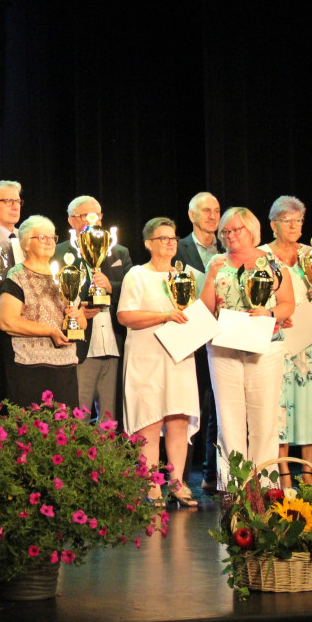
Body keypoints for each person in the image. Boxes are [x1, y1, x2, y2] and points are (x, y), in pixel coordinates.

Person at [199, 207, 294, 487]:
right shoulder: (216, 262)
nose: (229, 236)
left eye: (235, 230)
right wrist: (209, 277)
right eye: (225, 232)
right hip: (224, 348)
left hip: (264, 345)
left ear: (251, 230)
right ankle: (234, 487)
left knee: (264, 419)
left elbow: (288, 304)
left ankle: (265, 487)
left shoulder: (272, 262)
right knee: (228, 420)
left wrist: (271, 314)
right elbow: (205, 309)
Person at [117, 217, 200, 507]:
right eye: (163, 238)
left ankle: (177, 484)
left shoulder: (185, 276)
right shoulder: (137, 275)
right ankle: (151, 485)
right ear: (148, 243)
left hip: (179, 356)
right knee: (150, 420)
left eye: (173, 238)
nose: (169, 243)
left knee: (178, 418)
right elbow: (125, 316)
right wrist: (164, 316)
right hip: (147, 356)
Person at [259, 196, 312, 488]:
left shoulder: (311, 254)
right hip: (279, 335)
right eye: (287, 220)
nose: (293, 225)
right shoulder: (262, 255)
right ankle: (282, 472)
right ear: (273, 225)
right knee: (281, 404)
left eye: (298, 220)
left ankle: (308, 471)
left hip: (309, 338)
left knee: (309, 404)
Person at [53, 196, 132, 424]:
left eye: (95, 216)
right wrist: (76, 310)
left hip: (113, 343)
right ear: (71, 221)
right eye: (84, 216)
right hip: (81, 344)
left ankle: (107, 460)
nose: (91, 221)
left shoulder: (118, 252)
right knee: (78, 415)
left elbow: (133, 289)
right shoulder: (59, 253)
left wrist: (112, 288)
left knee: (110, 419)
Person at [0, 215, 85, 408]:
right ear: (26, 244)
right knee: (33, 434)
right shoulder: (17, 277)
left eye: (52, 237)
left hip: (65, 367)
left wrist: (78, 316)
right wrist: (50, 331)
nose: (49, 241)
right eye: (41, 237)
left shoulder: (65, 275)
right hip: (29, 370)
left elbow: (82, 324)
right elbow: (7, 322)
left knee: (66, 433)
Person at [174, 192, 222, 494]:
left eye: (217, 210)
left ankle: (213, 473)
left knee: (219, 409)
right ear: (192, 215)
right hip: (189, 336)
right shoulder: (177, 248)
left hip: (222, 337)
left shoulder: (229, 247)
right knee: (190, 408)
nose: (213, 216)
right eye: (206, 211)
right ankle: (181, 476)